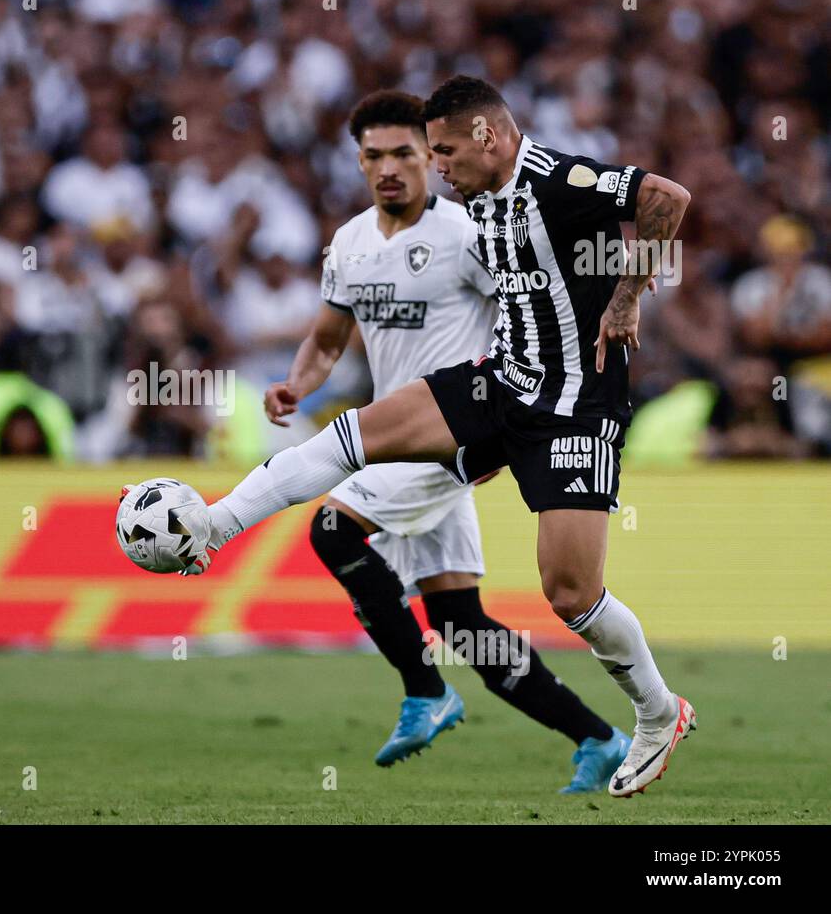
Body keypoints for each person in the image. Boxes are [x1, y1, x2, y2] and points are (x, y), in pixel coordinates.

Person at [175, 76, 695, 798]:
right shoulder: (455, 204)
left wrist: (627, 295)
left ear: (488, 136)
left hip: (575, 406)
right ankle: (214, 524)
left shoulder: (561, 180)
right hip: (500, 383)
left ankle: (656, 712)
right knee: (355, 438)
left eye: (442, 151)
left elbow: (667, 199)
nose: (437, 167)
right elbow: (337, 335)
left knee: (570, 594)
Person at [262, 89, 628, 791]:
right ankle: (599, 737)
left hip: (456, 434)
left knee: (334, 529)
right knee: (463, 624)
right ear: (360, 161)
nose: (389, 168)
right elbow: (328, 337)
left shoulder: (469, 232)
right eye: (374, 156)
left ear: (431, 157)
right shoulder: (349, 243)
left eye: (406, 152)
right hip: (398, 437)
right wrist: (297, 383)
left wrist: (511, 427)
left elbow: (536, 307)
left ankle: (426, 693)